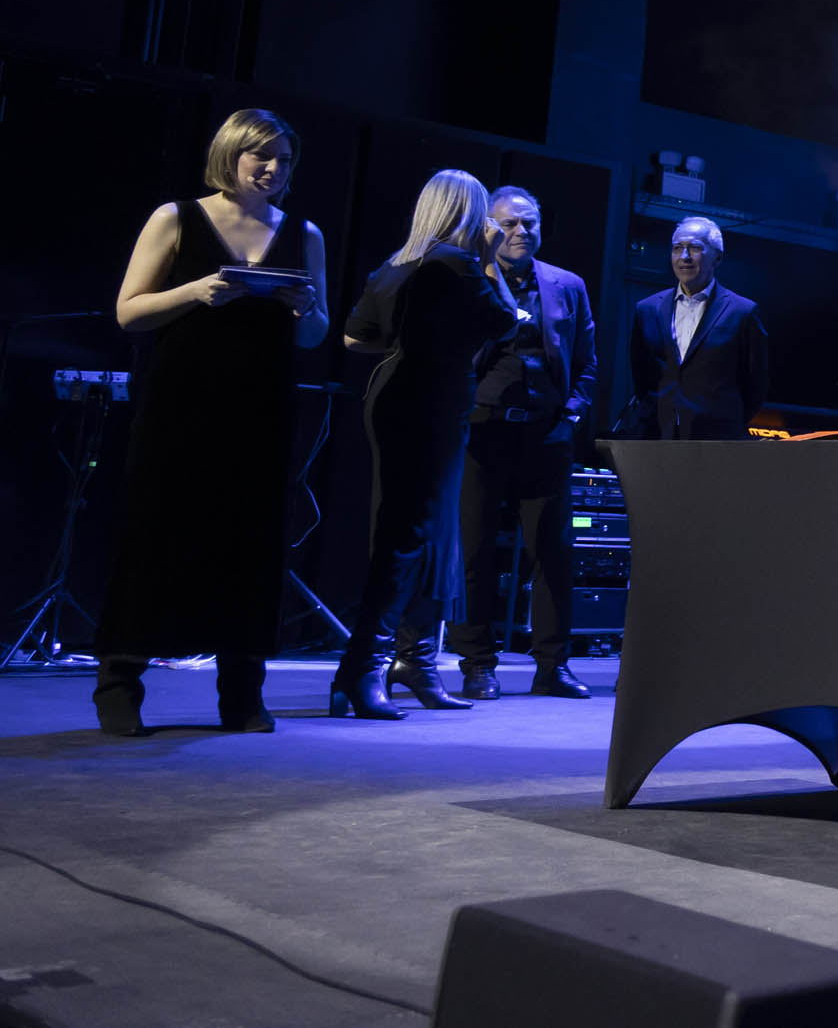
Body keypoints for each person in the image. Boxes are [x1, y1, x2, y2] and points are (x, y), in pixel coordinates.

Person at [93, 110, 328, 735]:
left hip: (261, 409)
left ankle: (242, 694)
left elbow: (315, 334)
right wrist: (194, 292)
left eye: (283, 160)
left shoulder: (303, 233)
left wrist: (304, 306)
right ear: (231, 155)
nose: (273, 169)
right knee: (155, 536)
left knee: (250, 545)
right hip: (181, 403)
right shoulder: (176, 218)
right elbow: (128, 312)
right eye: (261, 157)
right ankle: (119, 684)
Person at [331, 171, 519, 720]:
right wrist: (489, 258)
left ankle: (410, 663)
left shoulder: (397, 264)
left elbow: (353, 336)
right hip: (430, 404)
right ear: (470, 214)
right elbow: (506, 322)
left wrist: (407, 343)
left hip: (398, 396)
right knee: (410, 535)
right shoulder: (458, 263)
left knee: (424, 534)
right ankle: (363, 667)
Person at [433, 186, 598, 702]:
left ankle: (553, 665)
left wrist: (571, 416)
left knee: (553, 552)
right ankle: (477, 664)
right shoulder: (468, 277)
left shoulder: (567, 285)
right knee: (476, 550)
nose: (520, 231)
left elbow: (588, 362)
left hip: (546, 433)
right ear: (487, 228)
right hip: (482, 431)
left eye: (528, 223)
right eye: (508, 223)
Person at [627, 216, 768, 439]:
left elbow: (756, 385)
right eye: (677, 248)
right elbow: (641, 376)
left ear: (717, 258)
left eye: (694, 248)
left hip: (716, 440)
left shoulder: (743, 312)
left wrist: (724, 423)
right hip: (657, 436)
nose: (684, 257)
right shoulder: (647, 308)